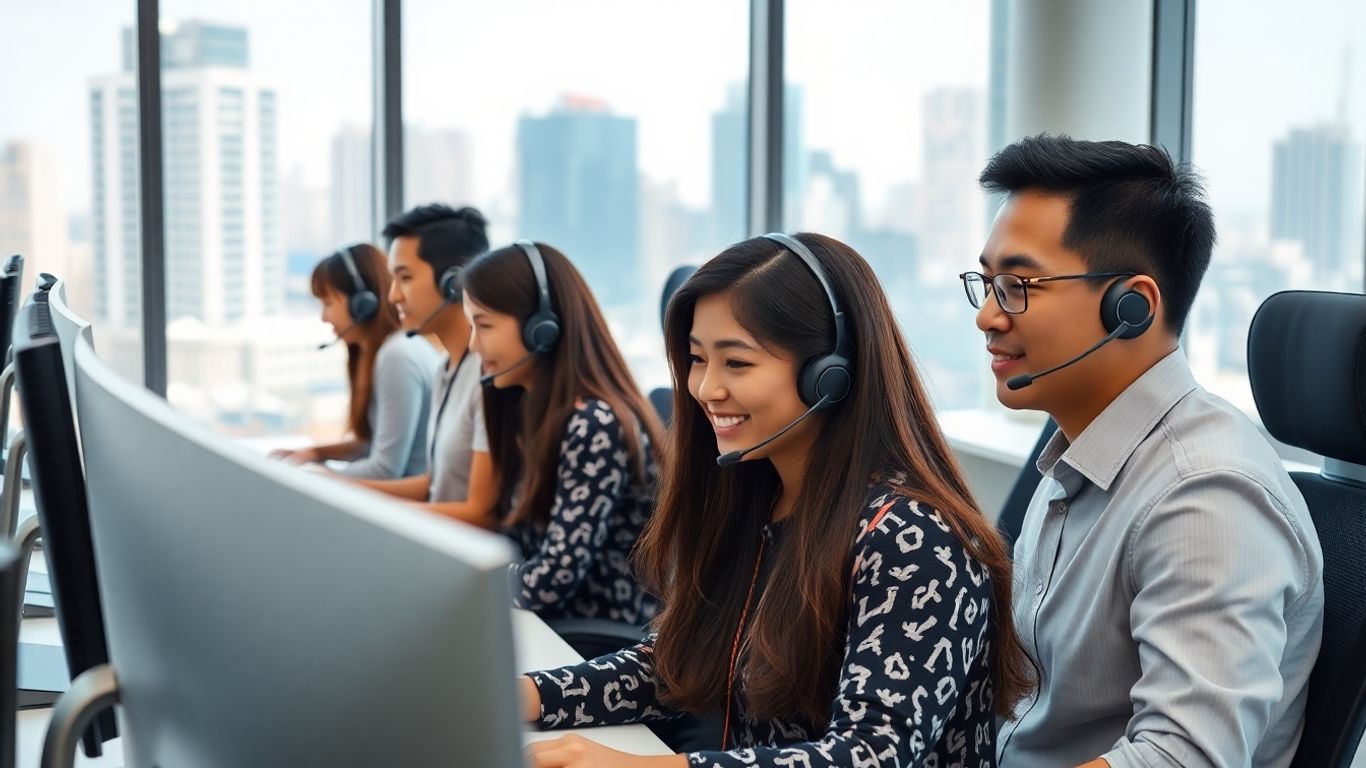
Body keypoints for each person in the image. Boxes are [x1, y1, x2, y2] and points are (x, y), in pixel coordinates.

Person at [520, 233, 1029, 767]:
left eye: (736, 364)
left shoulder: (913, 538)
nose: (705, 389)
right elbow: (679, 664)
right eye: (696, 359)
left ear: (828, 375)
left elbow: (871, 755)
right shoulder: (760, 498)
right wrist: (524, 692)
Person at [964, 134, 1323, 768]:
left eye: (1018, 285)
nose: (988, 317)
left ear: (1132, 306)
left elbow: (1185, 757)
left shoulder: (1205, 494)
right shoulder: (1076, 453)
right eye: (987, 283)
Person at [461, 241, 663, 624]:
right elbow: (520, 540)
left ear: (544, 328)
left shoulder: (595, 425)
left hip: (597, 637)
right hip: (549, 623)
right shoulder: (529, 406)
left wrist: (463, 578)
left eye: (483, 324)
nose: (473, 344)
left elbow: (554, 578)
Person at [351, 205, 498, 527]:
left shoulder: (488, 375)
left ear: (454, 282)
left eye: (404, 278)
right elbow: (436, 484)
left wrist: (374, 511)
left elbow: (480, 512)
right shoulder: (446, 368)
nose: (392, 296)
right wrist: (336, 485)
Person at [272, 243, 438, 478]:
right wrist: (314, 454)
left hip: (407, 507)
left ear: (363, 302)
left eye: (328, 303)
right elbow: (369, 445)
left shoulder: (397, 356)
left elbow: (385, 470)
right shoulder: (382, 352)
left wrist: (316, 475)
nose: (323, 317)